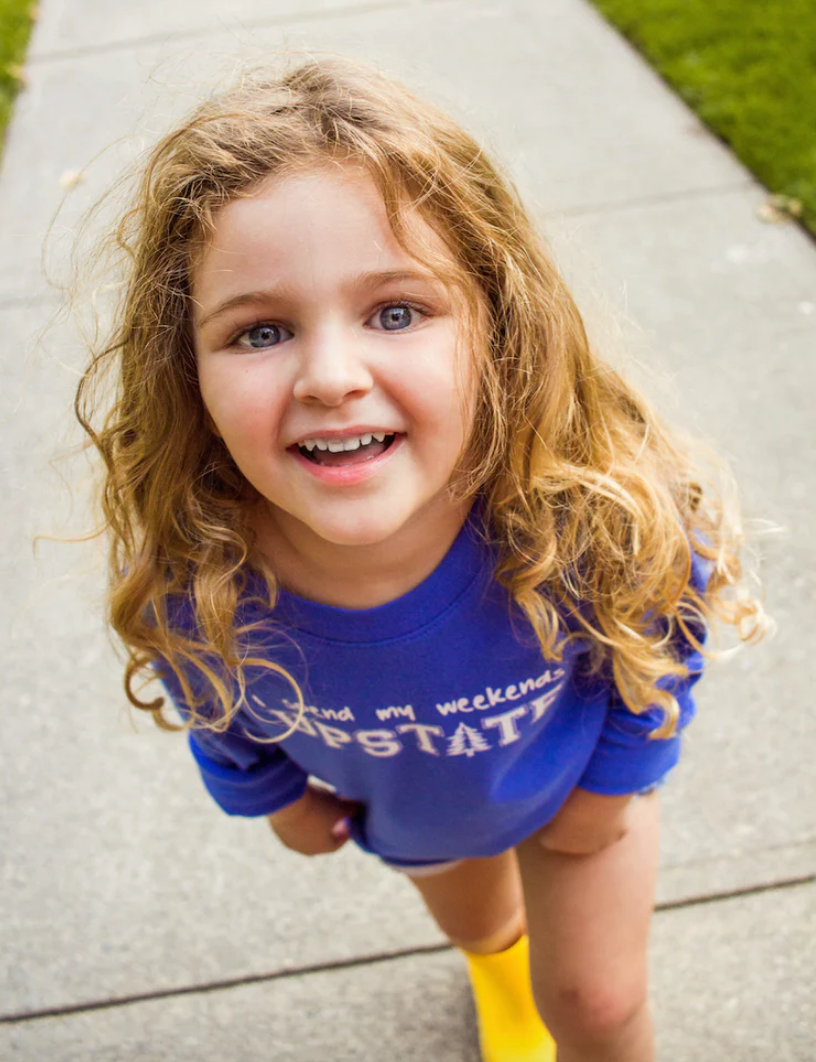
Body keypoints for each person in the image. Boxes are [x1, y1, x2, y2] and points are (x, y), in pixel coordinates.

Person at [75, 55, 767, 1062]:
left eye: (396, 313)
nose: (331, 376)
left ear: (496, 324)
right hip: (413, 816)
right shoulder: (206, 569)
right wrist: (268, 794)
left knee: (601, 1006)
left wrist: (617, 783)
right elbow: (205, 687)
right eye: (260, 330)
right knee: (481, 923)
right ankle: (498, 974)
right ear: (187, 372)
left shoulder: (574, 512)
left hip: (581, 792)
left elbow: (664, 630)